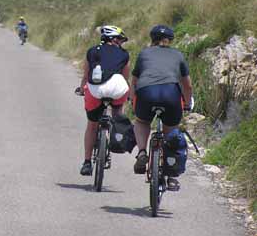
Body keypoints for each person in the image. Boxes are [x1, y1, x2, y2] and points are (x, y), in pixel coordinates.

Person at [130, 25, 193, 191]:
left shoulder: (144, 53)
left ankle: (142, 152)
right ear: (170, 40)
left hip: (146, 92)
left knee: (142, 121)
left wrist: (132, 99)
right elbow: (188, 85)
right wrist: (186, 103)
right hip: (170, 93)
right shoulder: (178, 55)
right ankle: (171, 176)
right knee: (171, 131)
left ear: (152, 39)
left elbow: (135, 80)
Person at [78, 25, 130, 176]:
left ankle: (87, 162)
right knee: (118, 111)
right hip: (116, 90)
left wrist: (81, 89)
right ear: (113, 39)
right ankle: (117, 128)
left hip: (95, 90)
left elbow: (86, 75)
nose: (121, 43)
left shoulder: (92, 51)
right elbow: (125, 77)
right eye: (120, 40)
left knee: (92, 125)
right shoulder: (124, 54)